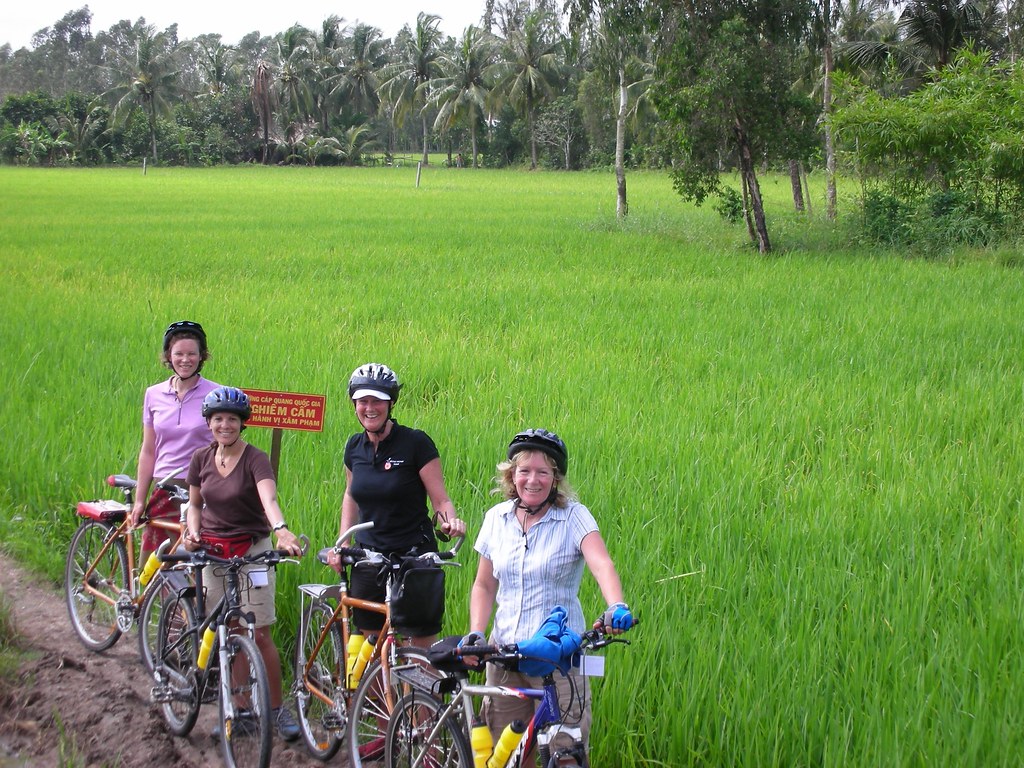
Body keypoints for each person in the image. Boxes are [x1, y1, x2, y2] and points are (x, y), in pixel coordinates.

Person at [463, 428, 635, 756]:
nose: (533, 480)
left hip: (558, 662)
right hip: (505, 657)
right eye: (524, 471)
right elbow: (484, 584)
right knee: (509, 754)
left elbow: (601, 563)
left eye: (543, 472)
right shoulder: (495, 519)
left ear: (555, 479)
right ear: (511, 475)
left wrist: (616, 605)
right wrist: (476, 632)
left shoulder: (573, 517)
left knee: (565, 754)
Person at [183, 386, 304, 741]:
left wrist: (281, 530)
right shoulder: (201, 459)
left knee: (260, 631)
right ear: (209, 423)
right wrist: (192, 533)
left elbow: (269, 498)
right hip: (214, 553)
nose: (225, 425)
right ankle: (242, 710)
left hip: (252, 551)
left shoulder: (255, 458)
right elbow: (194, 504)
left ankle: (277, 711)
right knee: (230, 630)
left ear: (242, 424)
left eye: (232, 420)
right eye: (218, 419)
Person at [327, 363, 466, 644]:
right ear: (353, 403)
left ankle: (418, 690)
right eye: (362, 401)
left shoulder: (415, 443)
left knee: (421, 644)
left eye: (377, 400)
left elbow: (440, 499)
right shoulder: (354, 447)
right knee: (373, 646)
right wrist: (342, 542)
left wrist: (449, 522)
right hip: (369, 557)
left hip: (414, 557)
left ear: (390, 403)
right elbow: (351, 494)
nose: (369, 408)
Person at [130, 320, 219, 561]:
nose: (185, 359)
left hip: (200, 486)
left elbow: (225, 449)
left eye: (192, 353)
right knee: (156, 562)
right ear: (169, 356)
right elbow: (149, 450)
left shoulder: (215, 395)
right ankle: (153, 601)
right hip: (164, 486)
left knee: (195, 559)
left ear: (202, 357)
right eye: (178, 353)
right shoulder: (154, 394)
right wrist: (140, 500)